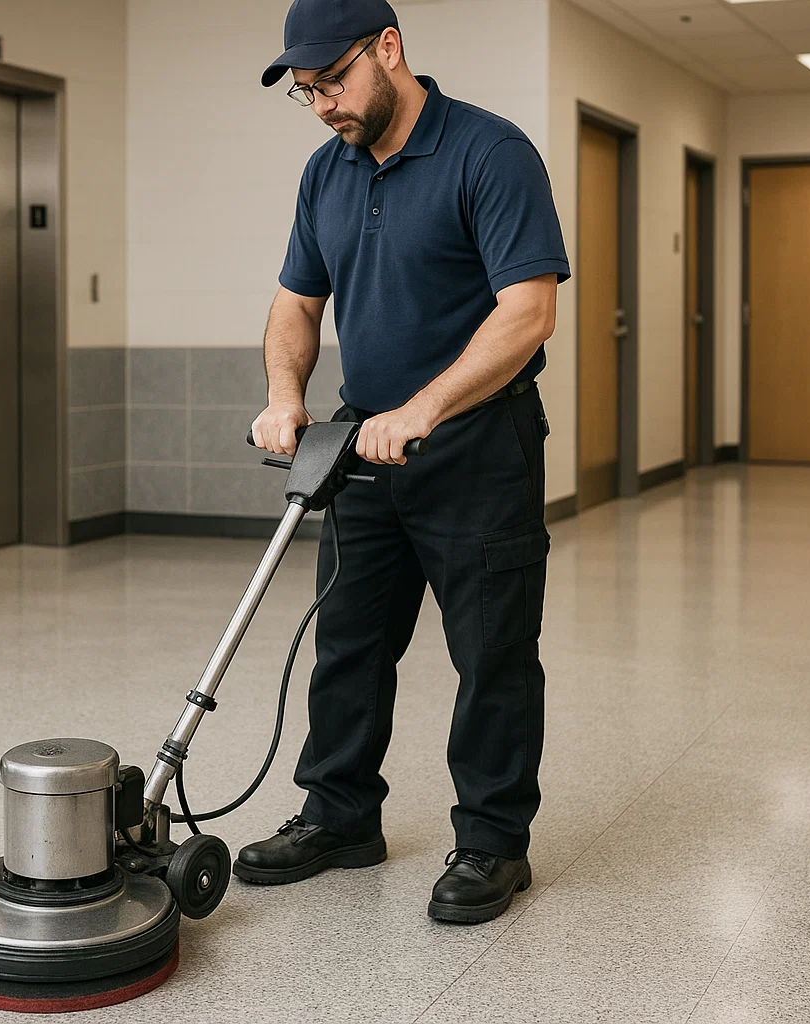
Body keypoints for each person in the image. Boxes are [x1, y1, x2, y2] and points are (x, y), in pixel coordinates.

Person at [236, 0, 570, 924]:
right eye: (304, 93)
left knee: (491, 652)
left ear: (389, 48)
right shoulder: (325, 174)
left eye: (333, 82)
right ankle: (341, 818)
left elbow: (528, 311)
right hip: (363, 446)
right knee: (348, 642)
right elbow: (296, 304)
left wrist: (423, 407)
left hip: (477, 445)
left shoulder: (489, 153)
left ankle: (495, 843)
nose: (322, 107)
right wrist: (285, 396)